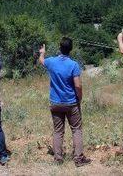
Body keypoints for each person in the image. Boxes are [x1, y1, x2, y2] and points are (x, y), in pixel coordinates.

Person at [39, 37, 91, 167]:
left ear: (59, 48)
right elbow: (77, 85)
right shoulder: (73, 65)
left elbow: (41, 61)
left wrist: (42, 52)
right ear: (70, 49)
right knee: (76, 130)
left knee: (58, 131)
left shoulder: (51, 62)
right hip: (71, 103)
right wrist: (80, 98)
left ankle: (58, 158)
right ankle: (78, 159)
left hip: (55, 103)